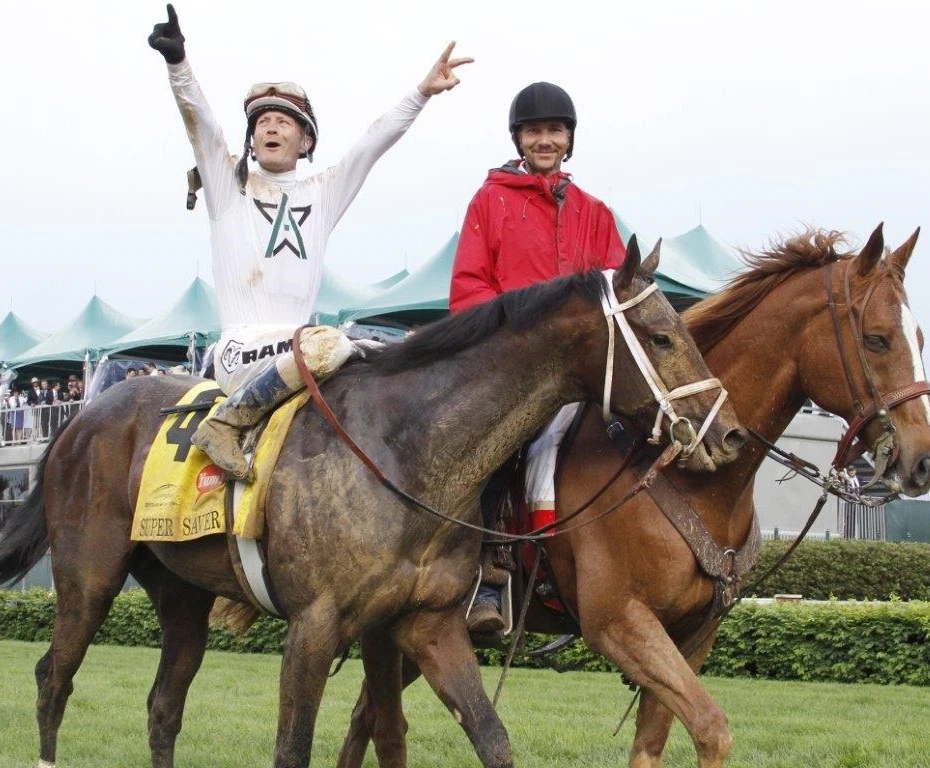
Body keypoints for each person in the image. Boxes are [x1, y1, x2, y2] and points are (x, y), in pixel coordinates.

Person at [149, 4, 471, 481]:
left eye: (284, 121)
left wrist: (422, 93)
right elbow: (200, 121)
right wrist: (178, 65)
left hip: (301, 350)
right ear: (252, 140)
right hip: (240, 352)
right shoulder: (228, 185)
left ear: (305, 142)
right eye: (262, 123)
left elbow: (373, 143)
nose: (271, 127)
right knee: (329, 342)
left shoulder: (322, 194)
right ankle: (222, 424)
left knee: (388, 350)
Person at [450, 82, 627, 633]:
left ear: (569, 140)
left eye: (555, 131)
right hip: (510, 364)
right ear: (519, 139)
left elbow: (616, 290)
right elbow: (469, 287)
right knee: (494, 451)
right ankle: (487, 573)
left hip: (581, 370)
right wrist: (519, 336)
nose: (545, 140)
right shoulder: (489, 201)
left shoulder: (595, 212)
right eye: (535, 131)